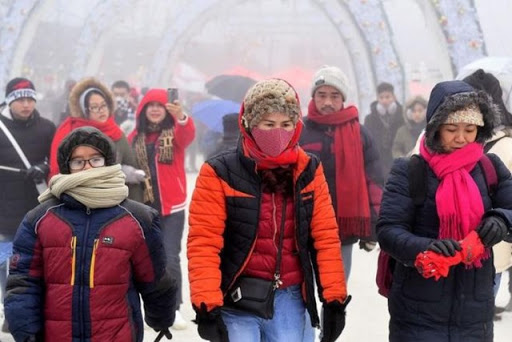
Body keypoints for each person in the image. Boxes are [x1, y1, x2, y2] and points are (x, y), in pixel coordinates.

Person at [188, 79, 350, 342]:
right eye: (268, 124)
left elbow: (325, 237)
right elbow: (204, 243)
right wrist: (206, 304)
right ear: (250, 125)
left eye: (286, 124)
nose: (278, 133)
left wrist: (334, 299)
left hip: (290, 294)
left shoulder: (308, 170)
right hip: (237, 294)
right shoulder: (219, 172)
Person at [4, 127, 176, 341]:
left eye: (95, 159)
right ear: (67, 167)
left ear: (108, 162)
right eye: (78, 161)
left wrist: (162, 319)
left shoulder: (138, 218)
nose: (87, 167)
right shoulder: (40, 218)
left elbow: (155, 281)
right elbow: (23, 283)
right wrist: (26, 332)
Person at [377, 80, 512, 342]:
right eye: (451, 129)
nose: (461, 138)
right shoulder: (409, 171)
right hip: (418, 311)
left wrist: (501, 220)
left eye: (470, 129)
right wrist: (426, 247)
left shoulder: (489, 168)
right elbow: (388, 230)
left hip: (474, 312)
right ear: (435, 128)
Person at [300, 65, 384, 281]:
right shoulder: (299, 131)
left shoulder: (359, 133)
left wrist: (372, 227)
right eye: (322, 95)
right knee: (302, 292)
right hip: (303, 225)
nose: (328, 102)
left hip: (342, 229)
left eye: (334, 96)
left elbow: (373, 182)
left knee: (335, 291)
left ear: (343, 98)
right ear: (314, 96)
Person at [128, 88, 195, 330]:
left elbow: (188, 133)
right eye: (150, 105)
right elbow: (122, 160)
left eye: (160, 105)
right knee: (144, 260)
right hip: (143, 207)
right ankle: (148, 306)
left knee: (169, 258)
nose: (155, 109)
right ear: (143, 110)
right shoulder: (134, 137)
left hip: (172, 207)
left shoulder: (175, 132)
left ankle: (173, 307)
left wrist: (182, 116)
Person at [0, 77, 56, 332]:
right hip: (4, 212)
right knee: (9, 266)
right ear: (10, 101)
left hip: (38, 209)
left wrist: (44, 167)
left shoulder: (47, 128)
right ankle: (11, 313)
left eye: (30, 99)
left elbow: (56, 158)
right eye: (20, 100)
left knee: (38, 264)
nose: (26, 105)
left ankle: (35, 311)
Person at [463, 68, 512, 319]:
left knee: (476, 322)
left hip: (493, 247)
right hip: (450, 245)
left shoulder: (507, 143)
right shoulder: (441, 137)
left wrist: (500, 220)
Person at [49, 77, 144, 201]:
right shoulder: (71, 134)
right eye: (94, 107)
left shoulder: (116, 132)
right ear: (84, 110)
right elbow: (61, 174)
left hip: (114, 204)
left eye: (104, 105)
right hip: (79, 203)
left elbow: (132, 169)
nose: (101, 111)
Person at [364, 82, 404, 178]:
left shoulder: (402, 116)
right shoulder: (370, 119)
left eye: (387, 97)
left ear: (394, 97)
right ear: (377, 99)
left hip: (398, 160)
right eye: (381, 98)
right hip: (378, 163)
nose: (384, 101)